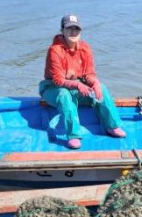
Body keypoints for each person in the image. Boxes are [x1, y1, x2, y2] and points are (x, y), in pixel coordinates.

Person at [41, 14, 125, 149]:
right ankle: (73, 135)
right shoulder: (54, 50)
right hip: (53, 87)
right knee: (64, 94)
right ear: (62, 30)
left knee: (101, 87)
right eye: (69, 29)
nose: (73, 32)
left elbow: (89, 73)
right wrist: (78, 85)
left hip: (76, 85)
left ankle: (112, 126)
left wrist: (95, 83)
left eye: (76, 29)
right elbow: (57, 80)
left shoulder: (85, 48)